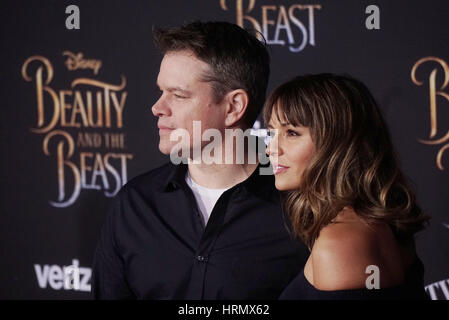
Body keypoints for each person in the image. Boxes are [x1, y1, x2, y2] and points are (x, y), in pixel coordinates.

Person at [92, 21, 308, 299]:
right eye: (161, 91)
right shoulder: (134, 204)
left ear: (233, 107)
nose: (157, 108)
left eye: (178, 95)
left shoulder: (300, 210)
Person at [264, 73, 430, 300]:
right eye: (272, 133)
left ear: (336, 142)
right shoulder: (370, 225)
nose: (271, 149)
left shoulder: (340, 243)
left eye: (292, 133)